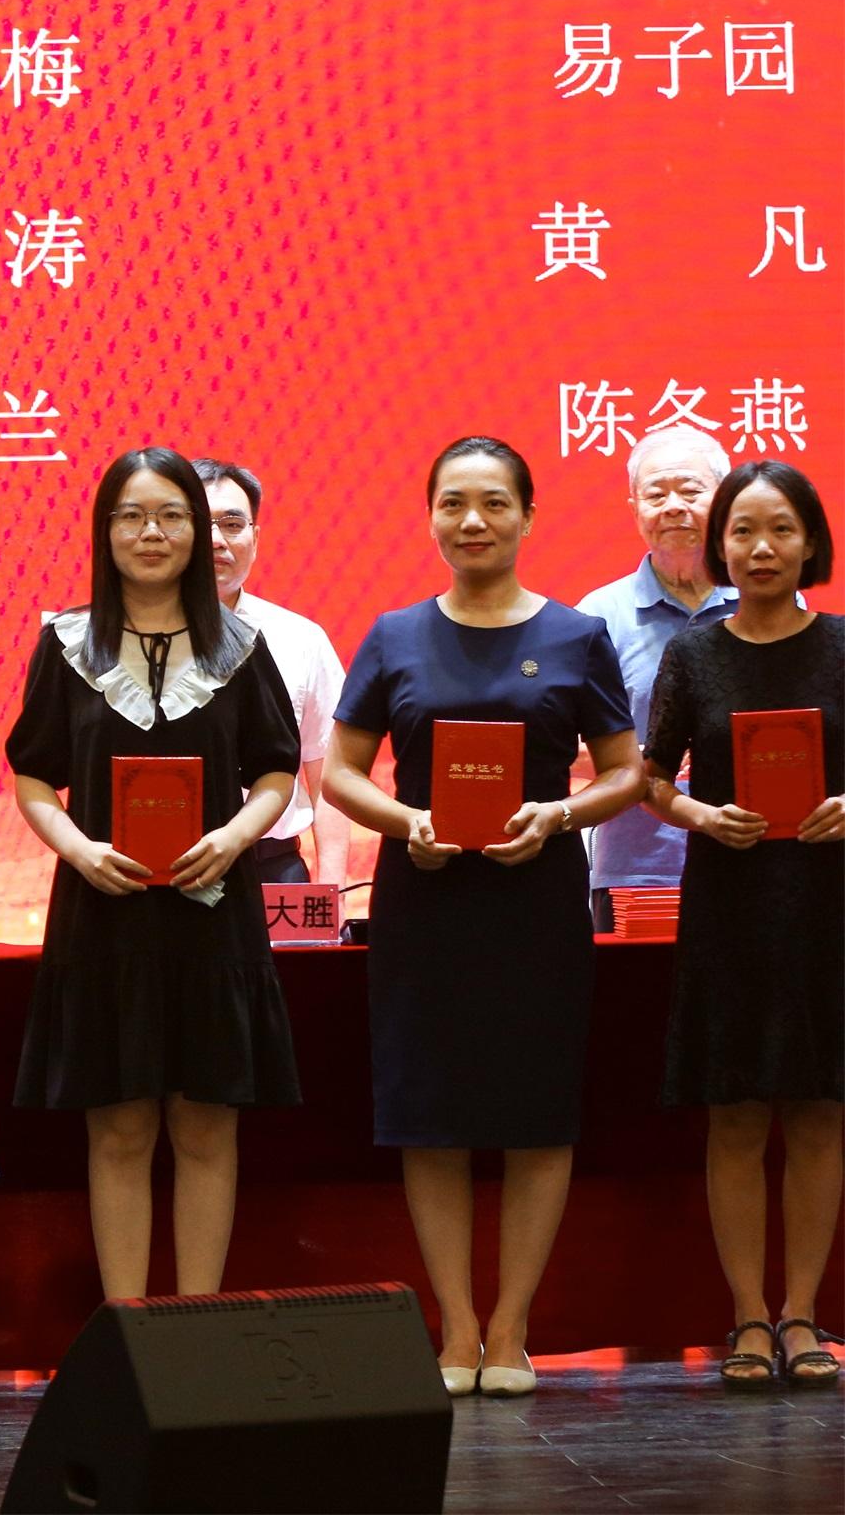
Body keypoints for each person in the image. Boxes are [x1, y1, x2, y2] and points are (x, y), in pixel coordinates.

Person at [324, 437, 643, 1397]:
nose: (473, 521)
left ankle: (512, 1328)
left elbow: (625, 772)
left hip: (536, 902)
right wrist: (406, 822)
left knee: (537, 1113)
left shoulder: (578, 636)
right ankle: (456, 1328)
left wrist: (559, 814)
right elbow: (340, 772)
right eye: (454, 503)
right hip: (425, 899)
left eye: (495, 503)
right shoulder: (394, 635)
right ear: (430, 516)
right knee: (433, 1118)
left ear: (528, 517)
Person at [7, 448, 303, 1302]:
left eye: (173, 516)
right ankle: (129, 1329)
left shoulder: (241, 647)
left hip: (214, 914)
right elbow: (32, 776)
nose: (152, 533)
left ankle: (198, 1331)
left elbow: (276, 769)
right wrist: (77, 849)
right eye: (132, 516)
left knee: (206, 1127)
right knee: (121, 1130)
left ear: (199, 532)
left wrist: (236, 835)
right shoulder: (68, 644)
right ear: (105, 532)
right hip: (104, 911)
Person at [635, 461, 842, 1390]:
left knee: (820, 1109)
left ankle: (803, 1314)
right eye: (743, 532)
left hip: (830, 904)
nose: (761, 548)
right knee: (736, 1112)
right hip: (730, 901)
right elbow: (649, 778)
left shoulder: (843, 646)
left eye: (780, 530)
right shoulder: (695, 654)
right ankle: (748, 1316)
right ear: (720, 545)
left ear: (811, 543)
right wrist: (697, 815)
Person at [578, 427, 737, 895]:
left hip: (753, 857)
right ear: (634, 509)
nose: (672, 506)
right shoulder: (597, 616)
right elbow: (561, 743)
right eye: (655, 495)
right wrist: (645, 764)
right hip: (635, 869)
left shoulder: (768, 604)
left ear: (725, 501)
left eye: (690, 491)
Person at [194, 461, 350, 886]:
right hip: (163, 869)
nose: (216, 540)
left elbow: (327, 778)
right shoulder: (128, 639)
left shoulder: (300, 639)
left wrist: (332, 890)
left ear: (255, 538)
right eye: (199, 523)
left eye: (232, 524)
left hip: (273, 869)